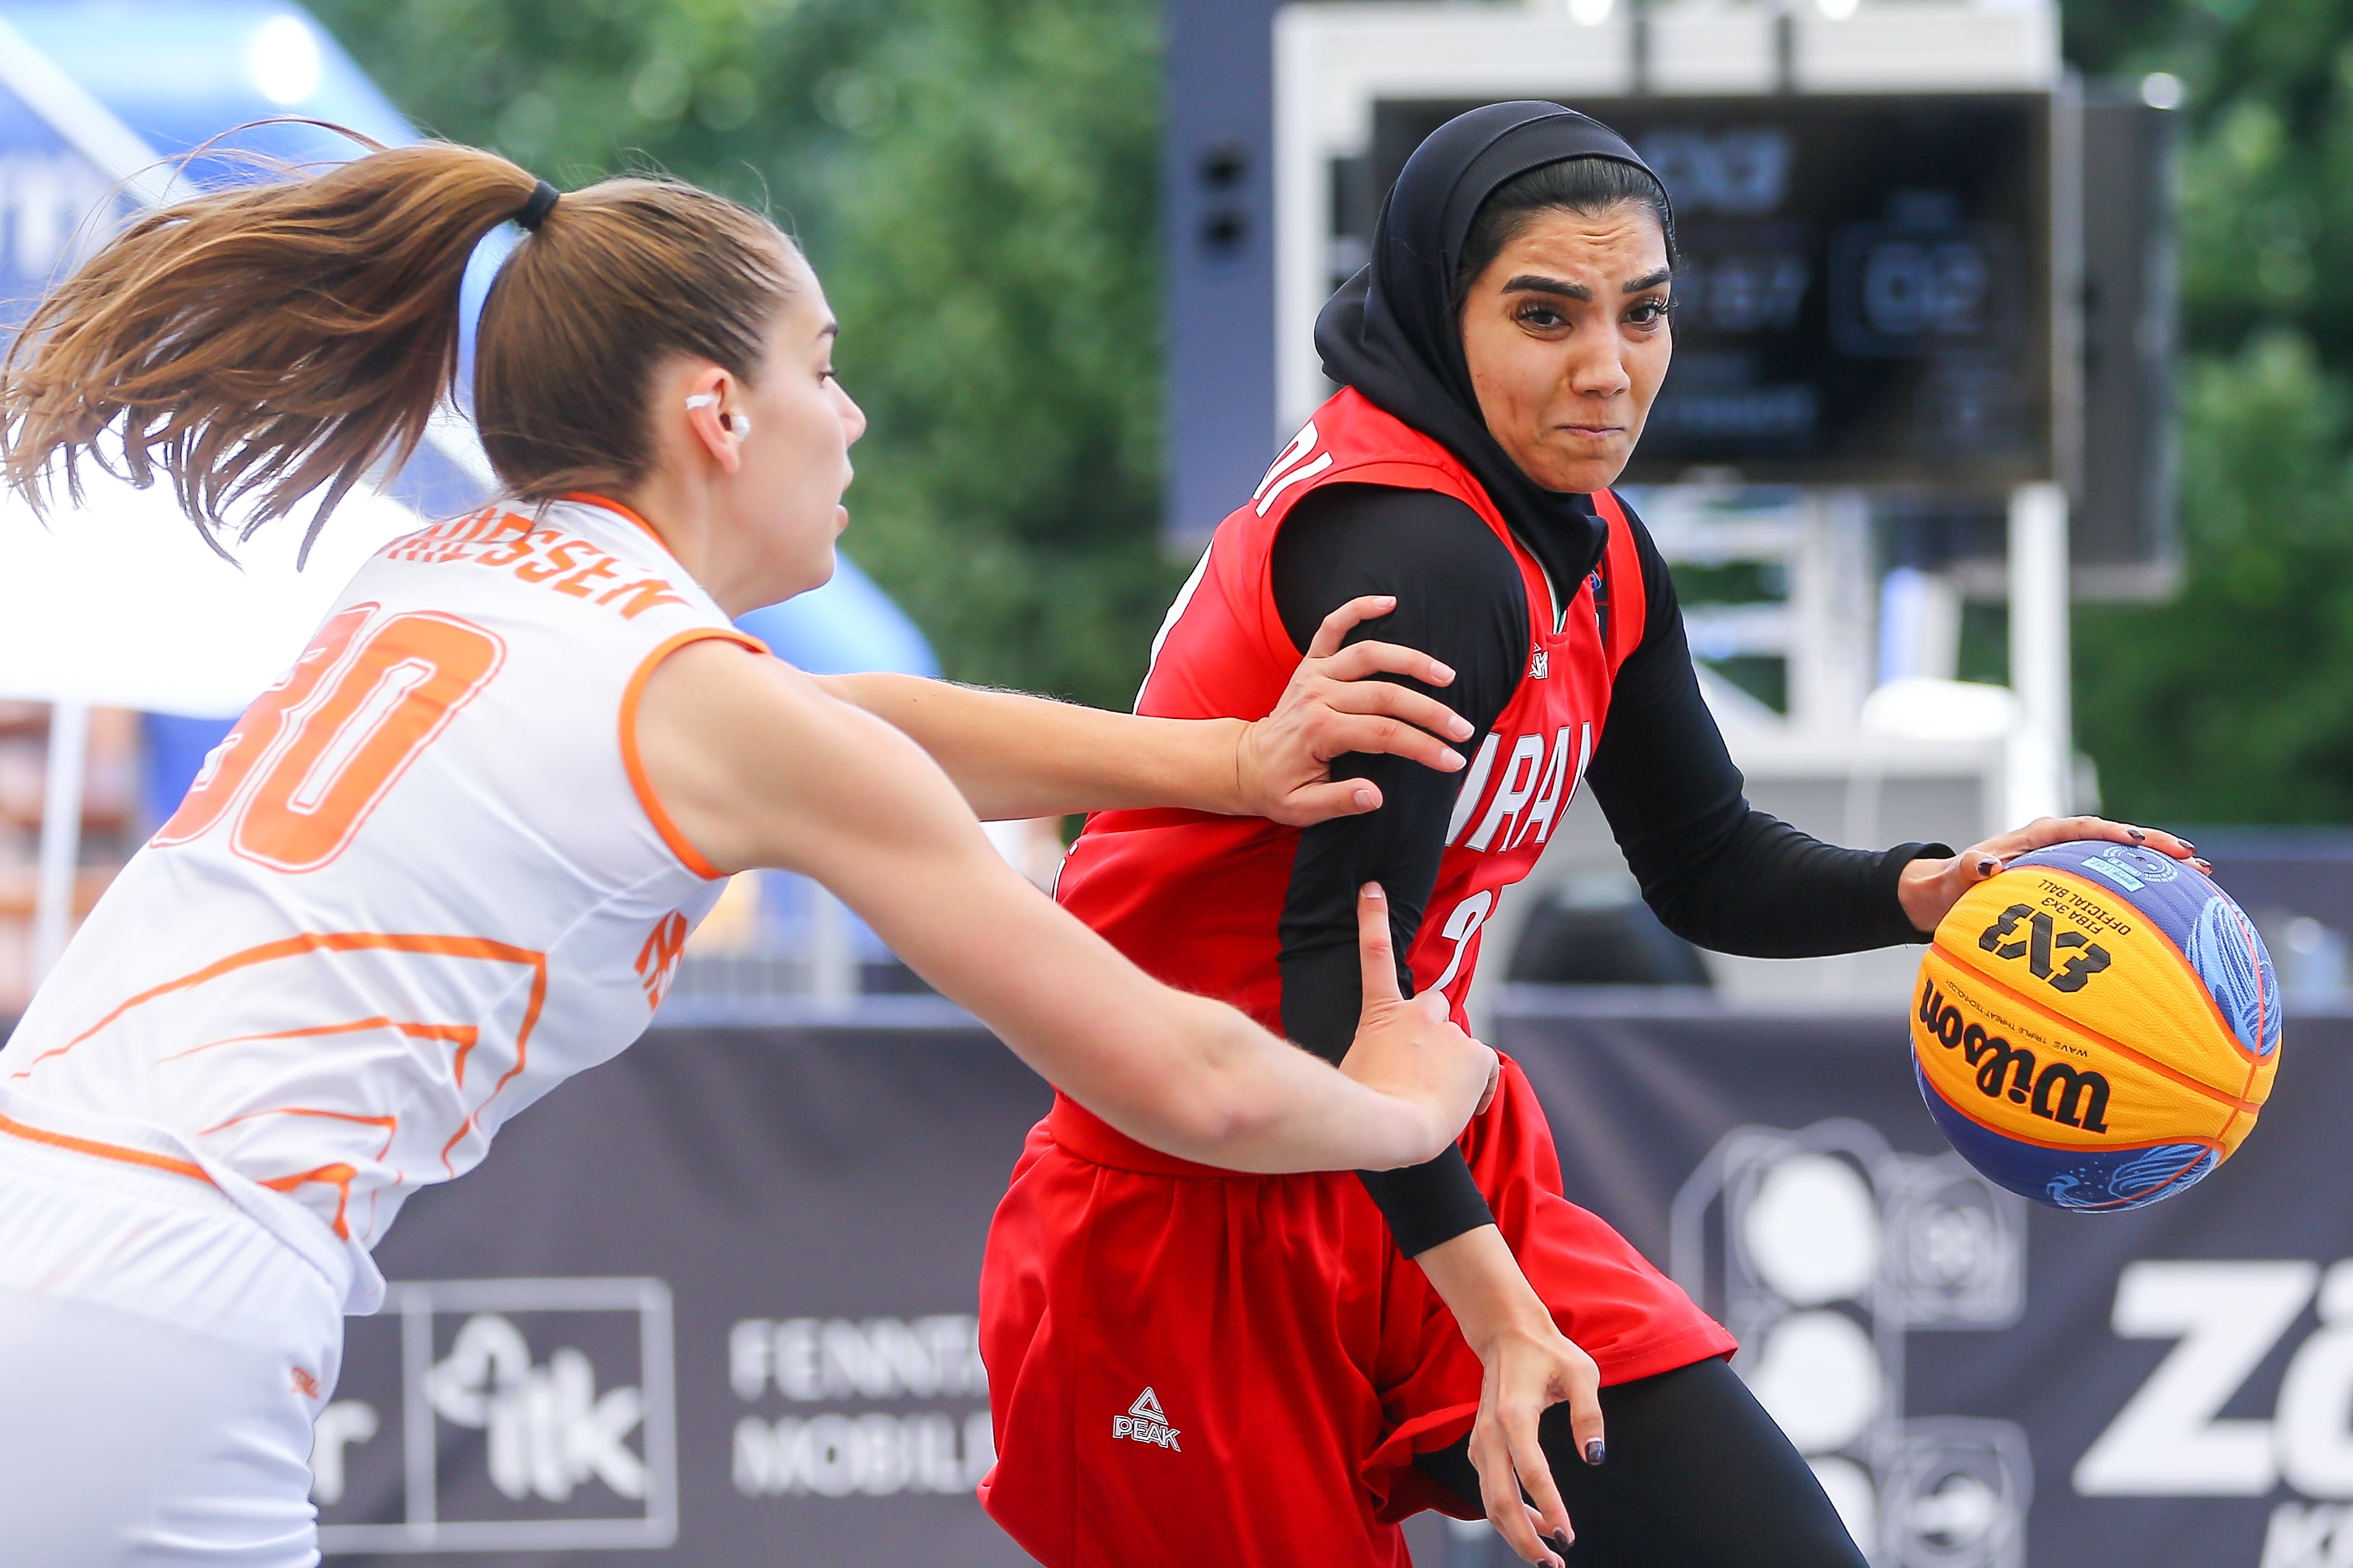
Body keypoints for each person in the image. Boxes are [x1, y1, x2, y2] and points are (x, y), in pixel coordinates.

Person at [0, 139, 1503, 1564]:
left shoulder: (444, 575)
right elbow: (1186, 1083)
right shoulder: (694, 698)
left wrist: (1223, 760)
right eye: (824, 368)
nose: (847, 417)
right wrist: (1404, 1114)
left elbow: (850, 725)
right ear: (717, 412)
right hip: (164, 1304)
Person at [975, 102, 2200, 1568]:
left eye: (1643, 313)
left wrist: (1929, 891)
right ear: (1441, 308)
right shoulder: (1420, 554)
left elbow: (1702, 859)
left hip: (1409, 1152)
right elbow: (1323, 1002)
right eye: (1543, 315)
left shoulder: (1592, 546)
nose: (1606, 369)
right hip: (1198, 1203)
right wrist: (1496, 1313)